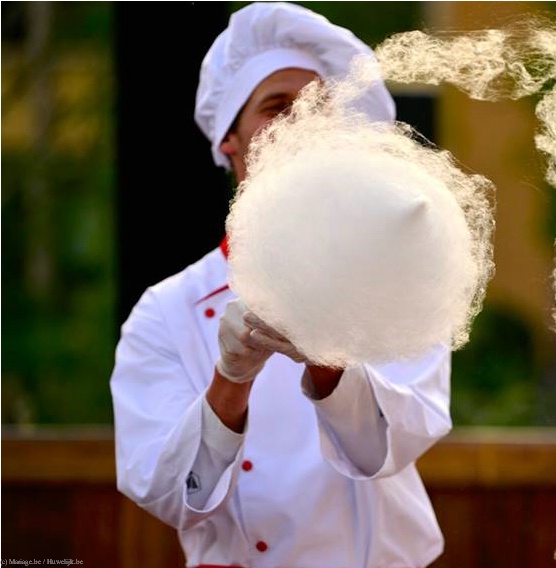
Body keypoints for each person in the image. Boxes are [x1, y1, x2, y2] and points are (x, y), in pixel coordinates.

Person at [110, 4, 452, 567]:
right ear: (229, 139)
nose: (302, 125)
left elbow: (396, 441)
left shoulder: (393, 279)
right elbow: (171, 496)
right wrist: (231, 377)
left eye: (320, 109)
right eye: (277, 107)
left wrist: (328, 361)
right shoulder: (166, 312)